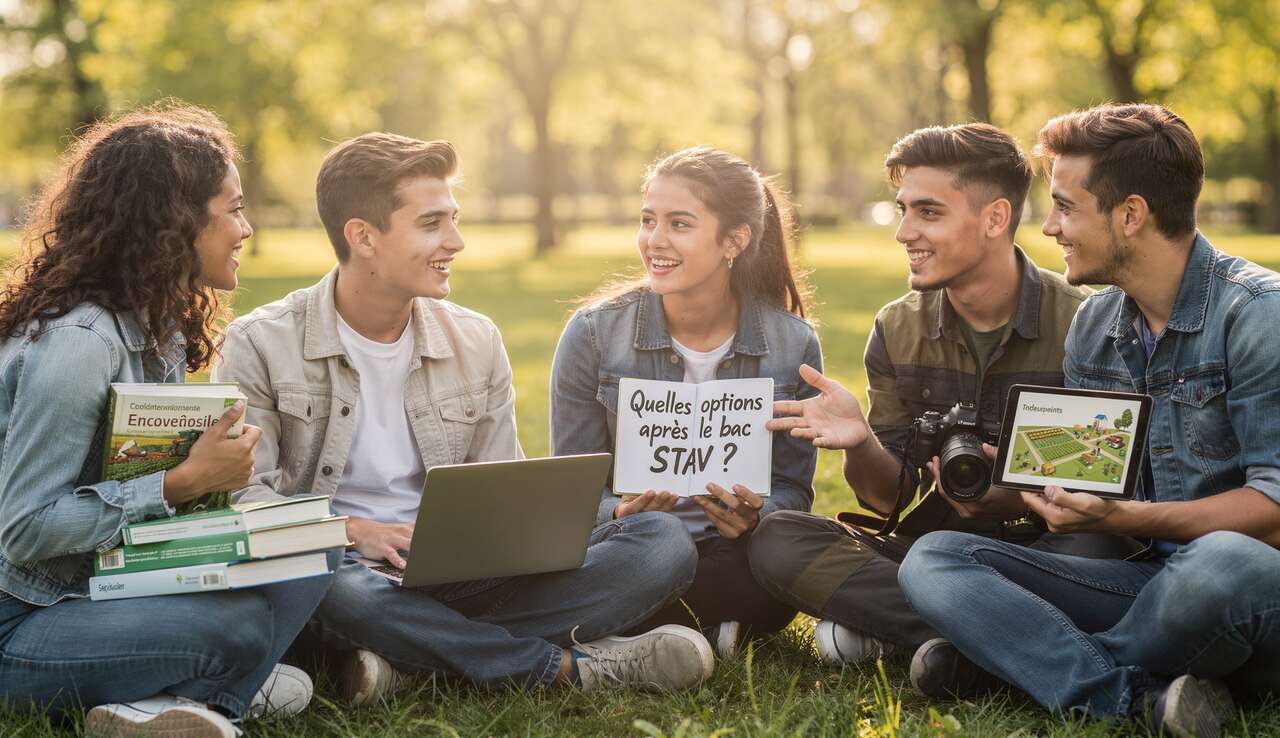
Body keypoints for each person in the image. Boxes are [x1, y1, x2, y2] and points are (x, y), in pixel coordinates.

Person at [214, 133, 712, 704]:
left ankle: (406, 658)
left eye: (453, 218)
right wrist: (351, 532)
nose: (456, 241)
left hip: (460, 572)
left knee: (661, 541)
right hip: (345, 572)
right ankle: (562, 669)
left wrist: (594, 517)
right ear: (363, 237)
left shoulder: (474, 338)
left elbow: (505, 492)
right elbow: (241, 504)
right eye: (432, 224)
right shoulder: (259, 343)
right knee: (321, 578)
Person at [898, 103, 1280, 738]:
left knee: (1219, 565)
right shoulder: (1097, 327)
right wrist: (1021, 484)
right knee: (935, 559)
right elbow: (1101, 483)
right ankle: (1131, 698)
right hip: (1151, 582)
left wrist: (1129, 518)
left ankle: (1010, 667)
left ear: (1130, 215)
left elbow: (1273, 504)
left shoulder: (1258, 316)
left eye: (1066, 207)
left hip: (1247, 583)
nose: (1048, 228)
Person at [749, 123, 1137, 669]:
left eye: (928, 212)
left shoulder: (1085, 322)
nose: (905, 231)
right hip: (932, 548)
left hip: (1050, 547)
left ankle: (948, 641)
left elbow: (1111, 486)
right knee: (778, 538)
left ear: (995, 219)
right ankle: (997, 642)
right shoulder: (896, 329)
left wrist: (1016, 494)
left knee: (1098, 558)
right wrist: (860, 443)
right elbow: (886, 500)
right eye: (903, 209)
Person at [0, 106, 332, 738]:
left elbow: (140, 491)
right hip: (23, 619)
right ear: (174, 223)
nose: (247, 227)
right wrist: (179, 482)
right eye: (233, 209)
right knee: (234, 631)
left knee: (312, 541)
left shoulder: (160, 327)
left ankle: (171, 703)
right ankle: (200, 697)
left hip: (101, 584)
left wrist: (213, 483)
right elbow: (24, 531)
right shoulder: (79, 347)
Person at [549, 146, 822, 657]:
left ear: (734, 240)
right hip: (631, 547)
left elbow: (792, 491)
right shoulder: (592, 335)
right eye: (647, 220)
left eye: (679, 224)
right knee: (662, 544)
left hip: (735, 554)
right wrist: (620, 511)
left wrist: (757, 515)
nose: (655, 240)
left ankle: (631, 624)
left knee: (786, 552)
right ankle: (707, 627)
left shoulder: (794, 345)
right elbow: (571, 493)